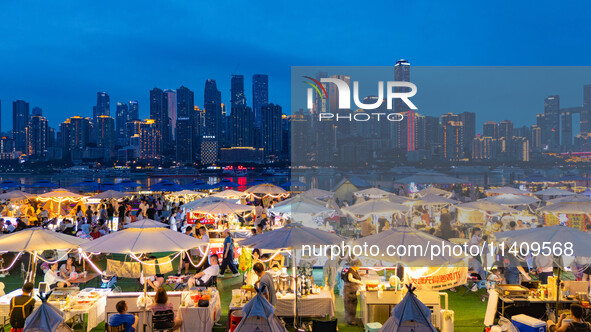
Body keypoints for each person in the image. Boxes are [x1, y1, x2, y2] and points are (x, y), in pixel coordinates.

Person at [343, 259, 364, 325]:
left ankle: (351, 318)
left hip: (352, 290)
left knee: (353, 304)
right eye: (358, 266)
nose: (359, 267)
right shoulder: (351, 270)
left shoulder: (354, 270)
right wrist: (359, 281)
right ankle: (350, 321)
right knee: (350, 306)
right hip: (349, 291)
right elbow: (350, 278)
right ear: (355, 265)